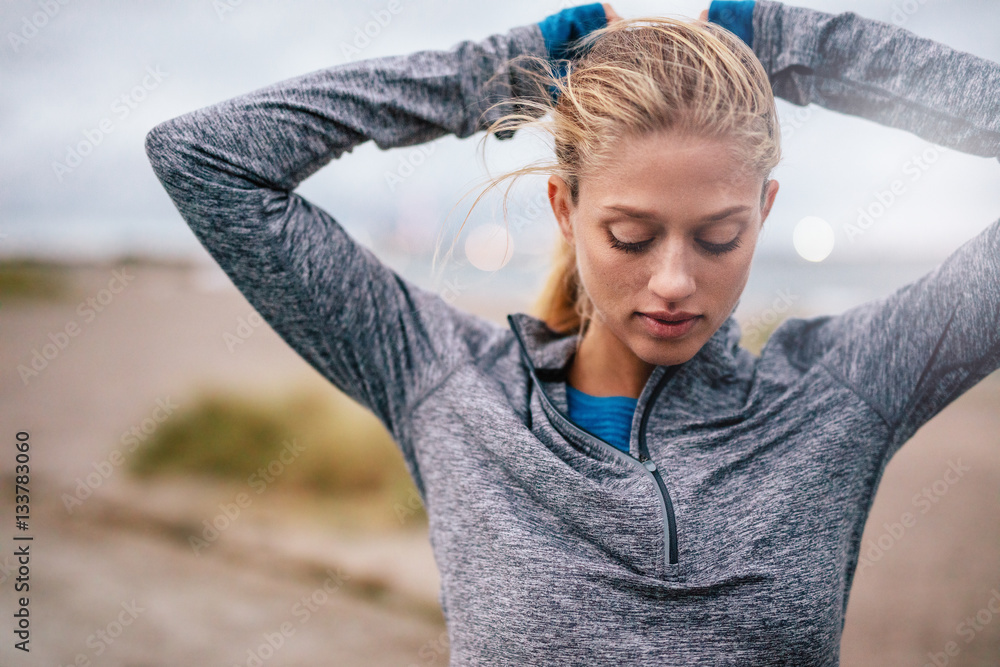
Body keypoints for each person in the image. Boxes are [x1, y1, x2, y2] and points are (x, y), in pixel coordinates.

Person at [144, 1, 1000, 663]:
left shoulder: (839, 396)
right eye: (630, 236)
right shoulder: (448, 385)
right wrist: (513, 69)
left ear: (765, 211)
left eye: (719, 237)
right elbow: (207, 157)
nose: (673, 281)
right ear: (566, 208)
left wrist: (787, 41)